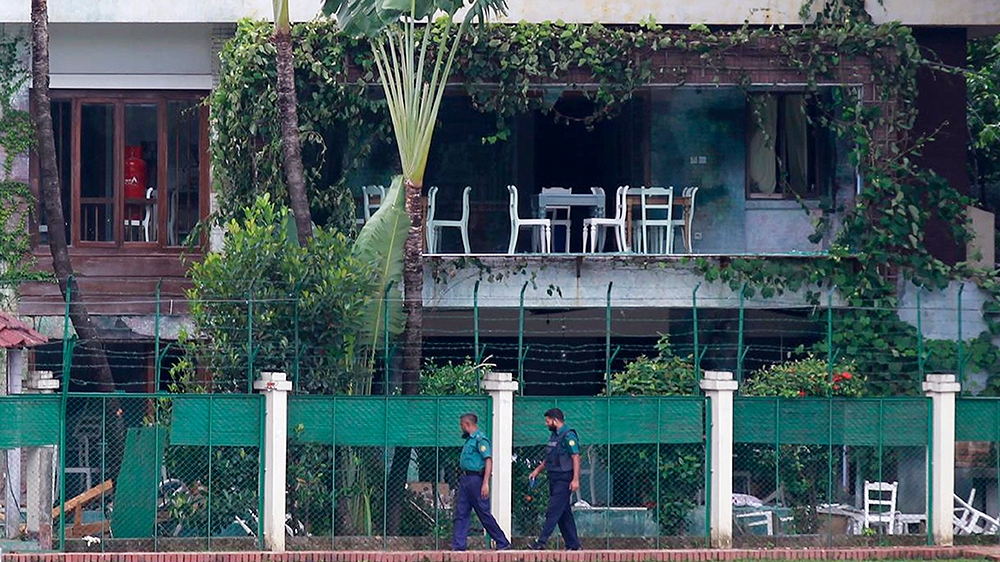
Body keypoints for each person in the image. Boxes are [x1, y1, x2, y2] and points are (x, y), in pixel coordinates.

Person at [452, 413, 511, 551]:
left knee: (483, 513)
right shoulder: (469, 440)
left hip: (476, 480)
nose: (461, 428)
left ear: (467, 424)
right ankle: (459, 546)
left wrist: (485, 482)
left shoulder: (480, 439)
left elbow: (488, 460)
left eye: (462, 425)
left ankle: (502, 542)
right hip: (466, 479)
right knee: (461, 512)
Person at [528, 408, 582, 551]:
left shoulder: (568, 436)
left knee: (553, 510)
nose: (546, 424)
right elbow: (550, 458)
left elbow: (575, 457)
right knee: (564, 513)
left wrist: (575, 479)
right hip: (554, 477)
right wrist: (537, 471)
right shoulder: (554, 436)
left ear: (555, 420)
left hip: (564, 479)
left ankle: (541, 542)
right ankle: (573, 544)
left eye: (547, 421)